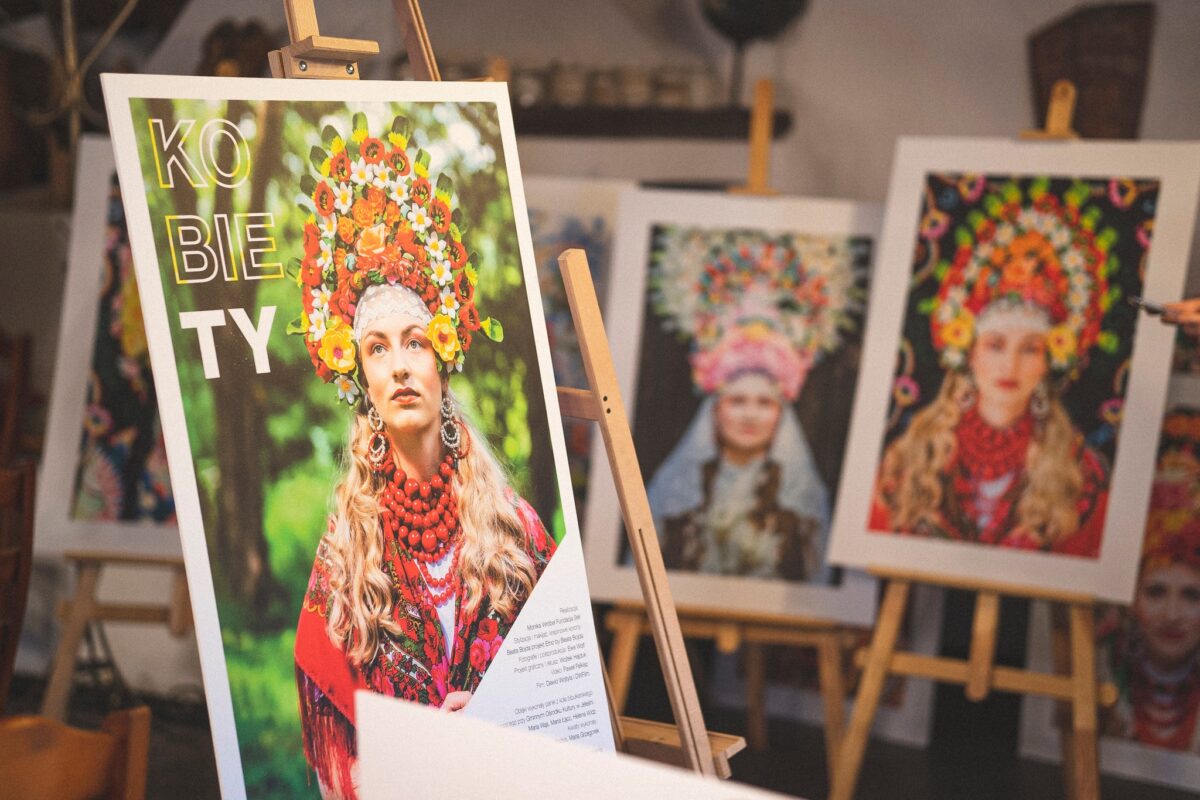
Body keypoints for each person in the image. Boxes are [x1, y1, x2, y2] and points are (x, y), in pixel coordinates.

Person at [291, 116, 555, 799]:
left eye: (416, 341)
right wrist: (418, 755)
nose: (401, 366)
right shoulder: (347, 551)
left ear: (443, 360)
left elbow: (562, 684)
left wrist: (494, 722)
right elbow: (334, 749)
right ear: (362, 379)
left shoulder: (514, 530)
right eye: (377, 348)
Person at [871, 185, 1123, 555]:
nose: (1010, 365)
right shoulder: (913, 455)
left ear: (1049, 361)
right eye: (995, 345)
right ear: (969, 352)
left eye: (1030, 349)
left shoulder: (1077, 472)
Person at [645, 231, 859, 581]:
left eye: (764, 403)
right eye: (737, 401)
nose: (750, 415)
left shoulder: (801, 496)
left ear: (781, 414)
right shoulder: (676, 489)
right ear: (715, 410)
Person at [1100, 442, 1200, 751]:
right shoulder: (1099, 677)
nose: (1172, 614)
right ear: (1131, 600)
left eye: (1192, 596)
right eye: (1156, 592)